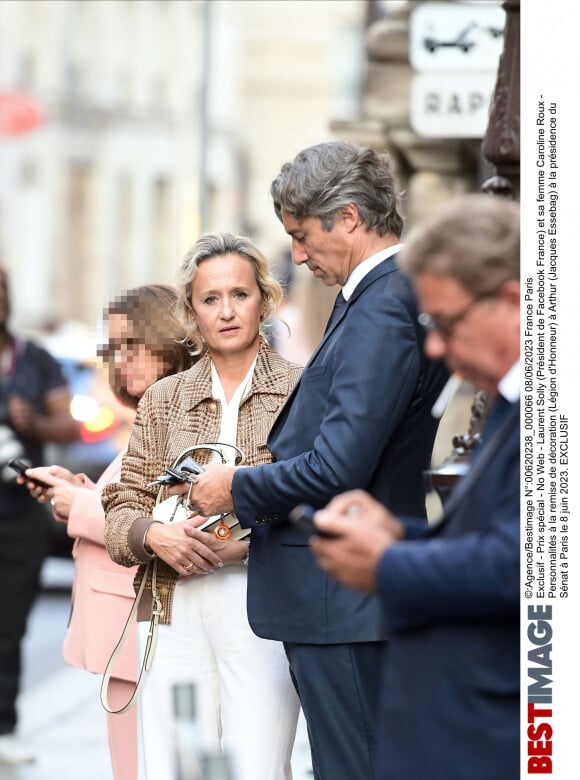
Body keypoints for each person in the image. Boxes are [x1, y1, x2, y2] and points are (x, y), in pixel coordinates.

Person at [183, 141, 450, 780]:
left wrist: (236, 488)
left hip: (343, 601)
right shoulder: (379, 297)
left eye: (303, 236)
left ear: (349, 218)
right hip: (344, 597)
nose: (297, 255)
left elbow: (338, 466)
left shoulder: (382, 305)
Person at [310, 193, 520, 780]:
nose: (433, 347)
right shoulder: (510, 401)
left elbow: (528, 567)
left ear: (513, 302)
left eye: (445, 324)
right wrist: (394, 533)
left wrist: (389, 562)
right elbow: (494, 535)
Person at [102, 233, 302, 780]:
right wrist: (152, 535)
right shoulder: (164, 399)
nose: (227, 310)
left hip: (261, 607)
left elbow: (313, 501)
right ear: (191, 311)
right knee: (174, 768)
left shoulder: (300, 391)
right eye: (210, 299)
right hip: (170, 609)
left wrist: (237, 543)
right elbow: (120, 507)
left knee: (258, 767)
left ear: (264, 298)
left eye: (239, 294)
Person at [18, 285, 194, 779]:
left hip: (141, 628)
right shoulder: (153, 416)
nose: (122, 360)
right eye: (113, 348)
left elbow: (166, 524)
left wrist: (80, 504)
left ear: (169, 340)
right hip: (127, 632)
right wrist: (76, 492)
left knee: (138, 768)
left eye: (134, 344)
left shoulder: (180, 416)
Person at [0, 266, 80, 765]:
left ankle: (4, 728)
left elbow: (68, 423)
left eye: (3, 291)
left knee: (8, 626)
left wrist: (38, 421)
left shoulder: (36, 360)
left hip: (19, 516)